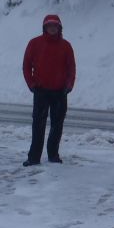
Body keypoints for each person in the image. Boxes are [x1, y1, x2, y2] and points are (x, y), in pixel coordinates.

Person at [22, 14, 76, 166]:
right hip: (41, 91)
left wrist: (69, 85)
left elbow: (71, 67)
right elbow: (26, 66)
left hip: (60, 92)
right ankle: (34, 157)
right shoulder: (34, 43)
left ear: (59, 28)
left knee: (57, 126)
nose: (52, 28)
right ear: (44, 27)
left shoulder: (66, 46)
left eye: (55, 26)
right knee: (38, 125)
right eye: (49, 25)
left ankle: (53, 155)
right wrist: (31, 84)